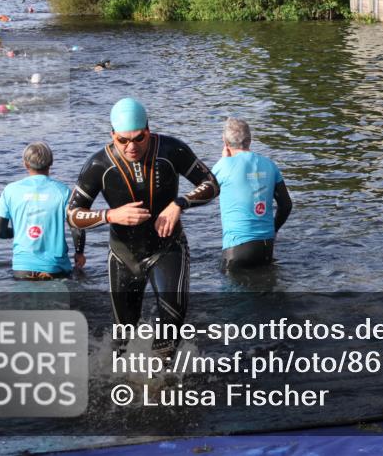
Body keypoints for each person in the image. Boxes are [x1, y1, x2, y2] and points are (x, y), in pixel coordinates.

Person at [67, 98, 219, 356]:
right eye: (123, 140)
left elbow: (211, 184)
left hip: (167, 249)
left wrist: (179, 203)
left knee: (171, 326)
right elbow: (73, 214)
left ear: (148, 129)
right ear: (112, 134)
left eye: (139, 138)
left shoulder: (171, 150)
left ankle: (161, 385)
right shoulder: (98, 165)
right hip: (123, 255)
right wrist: (110, 215)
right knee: (122, 340)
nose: (131, 147)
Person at [0, 142, 84, 280]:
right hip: (55, 268)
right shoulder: (63, 191)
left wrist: (18, 231)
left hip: (22, 268)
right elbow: (77, 226)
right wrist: (79, 252)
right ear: (51, 162)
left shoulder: (10, 190)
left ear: (25, 164)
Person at [213, 118, 292, 273]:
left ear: (224, 140)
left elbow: (203, 193)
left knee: (232, 295)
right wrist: (274, 229)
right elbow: (286, 205)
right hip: (266, 246)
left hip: (236, 249)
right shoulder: (270, 164)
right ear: (250, 139)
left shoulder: (222, 165)